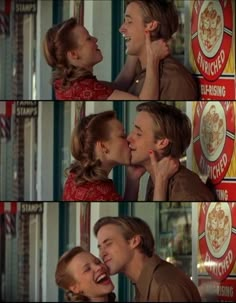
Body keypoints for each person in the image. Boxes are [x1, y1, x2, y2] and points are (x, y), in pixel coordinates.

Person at [62, 109, 179, 201]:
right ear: (103, 147)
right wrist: (161, 180)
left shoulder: (75, 177)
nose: (128, 139)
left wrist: (132, 180)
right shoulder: (100, 194)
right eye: (122, 136)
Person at [43, 17, 169, 101]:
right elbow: (147, 101)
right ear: (74, 54)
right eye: (88, 39)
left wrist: (135, 45)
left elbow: (118, 86)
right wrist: (153, 58)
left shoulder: (67, 84)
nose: (95, 39)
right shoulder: (87, 90)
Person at [94, 216, 202, 302]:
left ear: (134, 241)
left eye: (108, 244)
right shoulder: (145, 284)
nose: (102, 253)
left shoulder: (164, 285)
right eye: (100, 247)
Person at [127, 101, 216, 201]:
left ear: (162, 143)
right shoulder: (156, 178)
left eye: (138, 134)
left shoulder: (186, 191)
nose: (129, 138)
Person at [117, 0, 200, 100]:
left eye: (129, 21)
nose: (121, 29)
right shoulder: (137, 71)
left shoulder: (173, 79)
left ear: (150, 25)